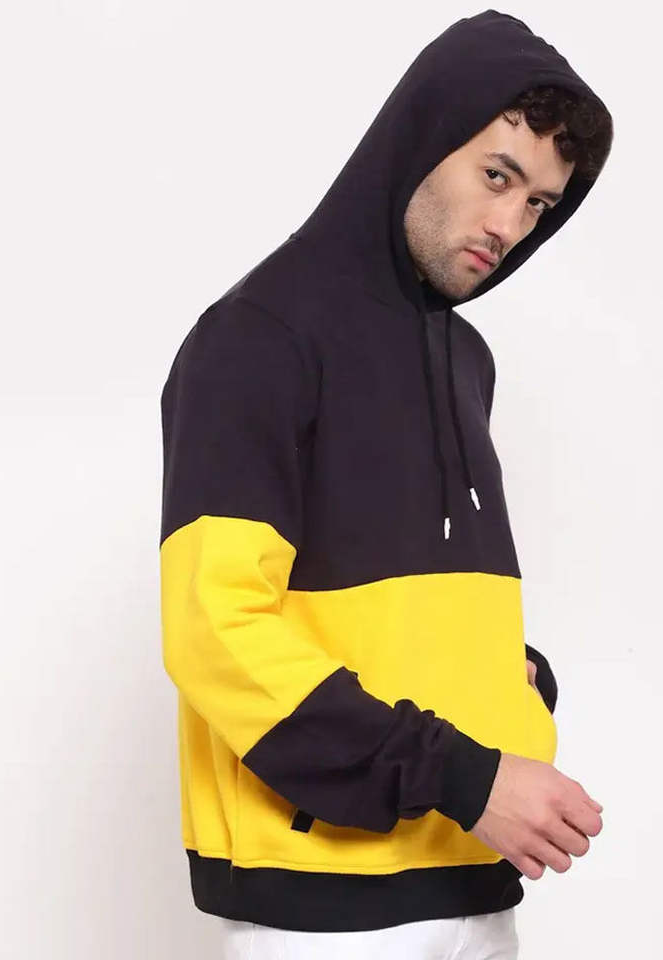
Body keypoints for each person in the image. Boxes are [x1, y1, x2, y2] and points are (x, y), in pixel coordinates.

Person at [158, 9, 613, 957]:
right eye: (497, 176)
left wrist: (507, 682)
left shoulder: (467, 360)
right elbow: (216, 630)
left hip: (475, 880)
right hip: (320, 909)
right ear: (420, 138)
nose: (509, 226)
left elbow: (396, 601)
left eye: (538, 204)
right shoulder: (259, 338)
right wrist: (465, 777)